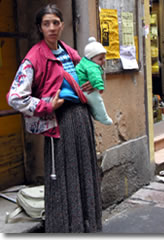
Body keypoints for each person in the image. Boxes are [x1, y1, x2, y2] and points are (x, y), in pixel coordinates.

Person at [7, 4, 102, 233]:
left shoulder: (69, 51)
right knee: (63, 180)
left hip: (81, 120)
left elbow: (90, 73)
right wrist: (44, 105)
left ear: (61, 25)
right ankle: (66, 230)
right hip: (60, 124)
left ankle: (87, 227)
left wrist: (91, 83)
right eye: (46, 23)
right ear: (40, 28)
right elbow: (15, 97)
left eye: (55, 23)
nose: (51, 28)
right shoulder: (34, 57)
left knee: (84, 174)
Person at [76, 37, 113, 125]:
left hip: (81, 87)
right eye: (100, 59)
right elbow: (95, 77)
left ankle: (96, 114)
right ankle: (103, 117)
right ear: (91, 58)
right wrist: (100, 86)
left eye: (104, 58)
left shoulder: (85, 61)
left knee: (93, 103)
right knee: (97, 101)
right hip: (86, 90)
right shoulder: (92, 66)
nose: (103, 61)